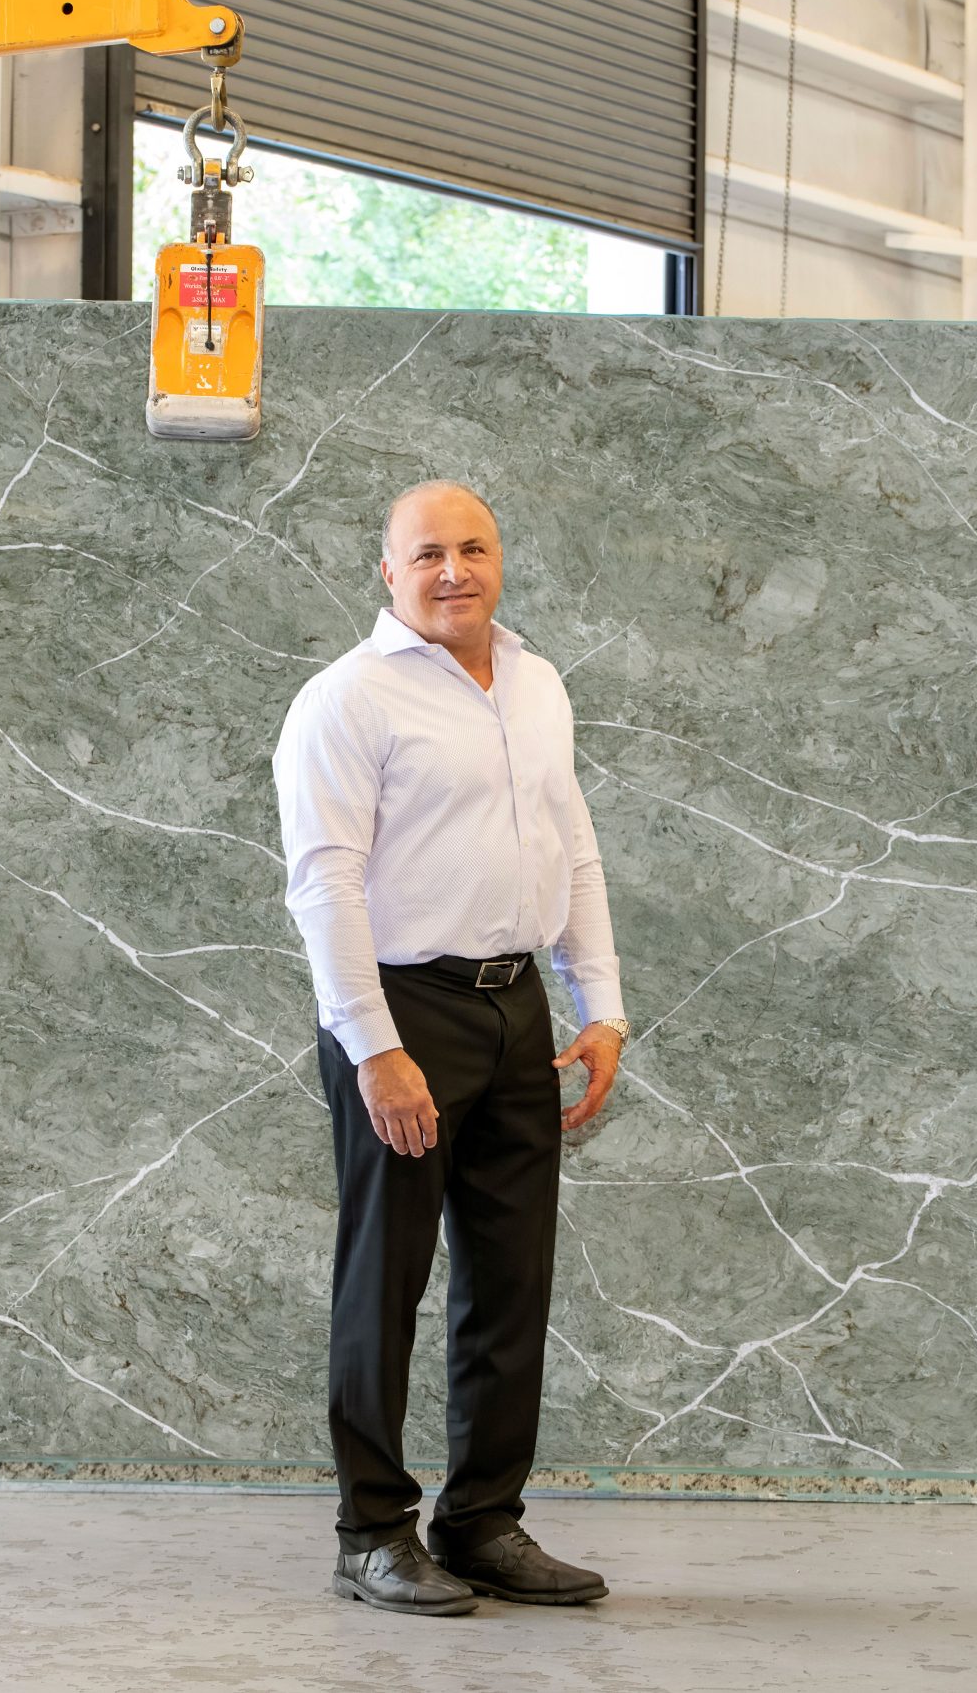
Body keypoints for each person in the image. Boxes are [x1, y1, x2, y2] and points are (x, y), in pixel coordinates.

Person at [272, 479, 630, 1617]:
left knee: (509, 1282)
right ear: (387, 570)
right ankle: (371, 1532)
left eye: (472, 548)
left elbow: (572, 844)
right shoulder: (346, 702)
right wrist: (373, 1048)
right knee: (386, 1280)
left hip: (515, 1006)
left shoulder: (534, 682)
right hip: (401, 1013)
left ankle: (482, 1522)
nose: (452, 571)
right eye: (426, 553)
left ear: (500, 560)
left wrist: (602, 1005)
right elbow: (322, 881)